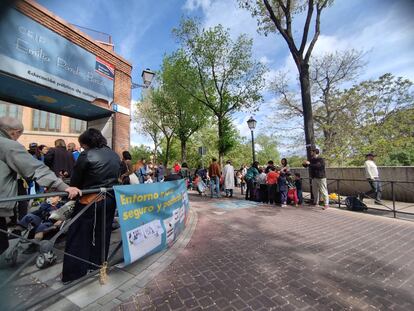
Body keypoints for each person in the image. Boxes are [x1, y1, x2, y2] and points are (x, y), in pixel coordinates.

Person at [0, 116, 81, 256]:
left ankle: (24, 235)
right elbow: (36, 169)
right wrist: (63, 185)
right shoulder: (7, 144)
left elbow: (42, 166)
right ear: (14, 132)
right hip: (60, 182)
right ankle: (21, 232)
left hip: (54, 186)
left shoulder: (52, 152)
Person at [62, 128, 121, 283]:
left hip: (90, 200)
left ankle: (74, 273)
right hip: (110, 199)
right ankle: (97, 264)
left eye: (82, 145)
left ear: (87, 143)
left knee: (79, 235)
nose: (82, 148)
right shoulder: (114, 155)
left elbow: (75, 182)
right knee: (103, 233)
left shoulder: (86, 155)